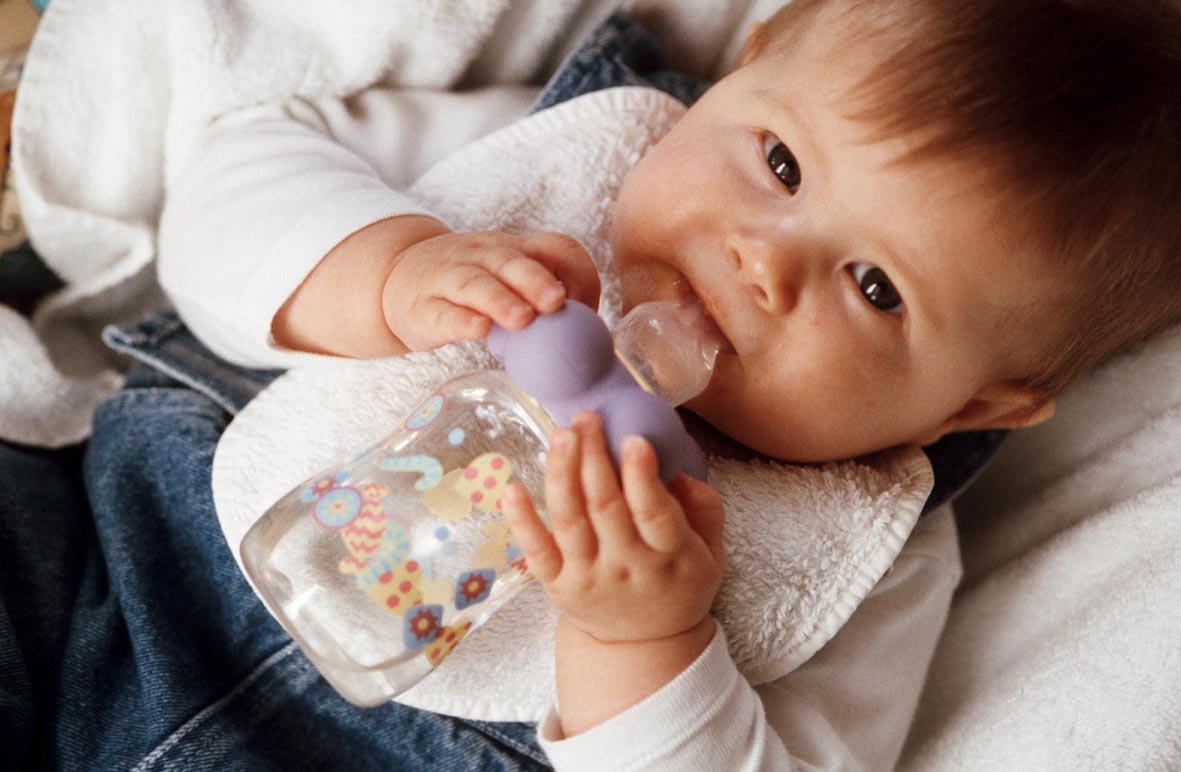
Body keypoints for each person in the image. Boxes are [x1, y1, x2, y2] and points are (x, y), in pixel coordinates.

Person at [6, 0, 1180, 769]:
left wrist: (643, 637)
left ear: (972, 405)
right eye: (778, 163)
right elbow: (232, 179)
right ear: (740, 73)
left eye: (874, 287)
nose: (761, 263)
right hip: (117, 553)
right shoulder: (566, 156)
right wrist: (385, 271)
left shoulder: (870, 564)